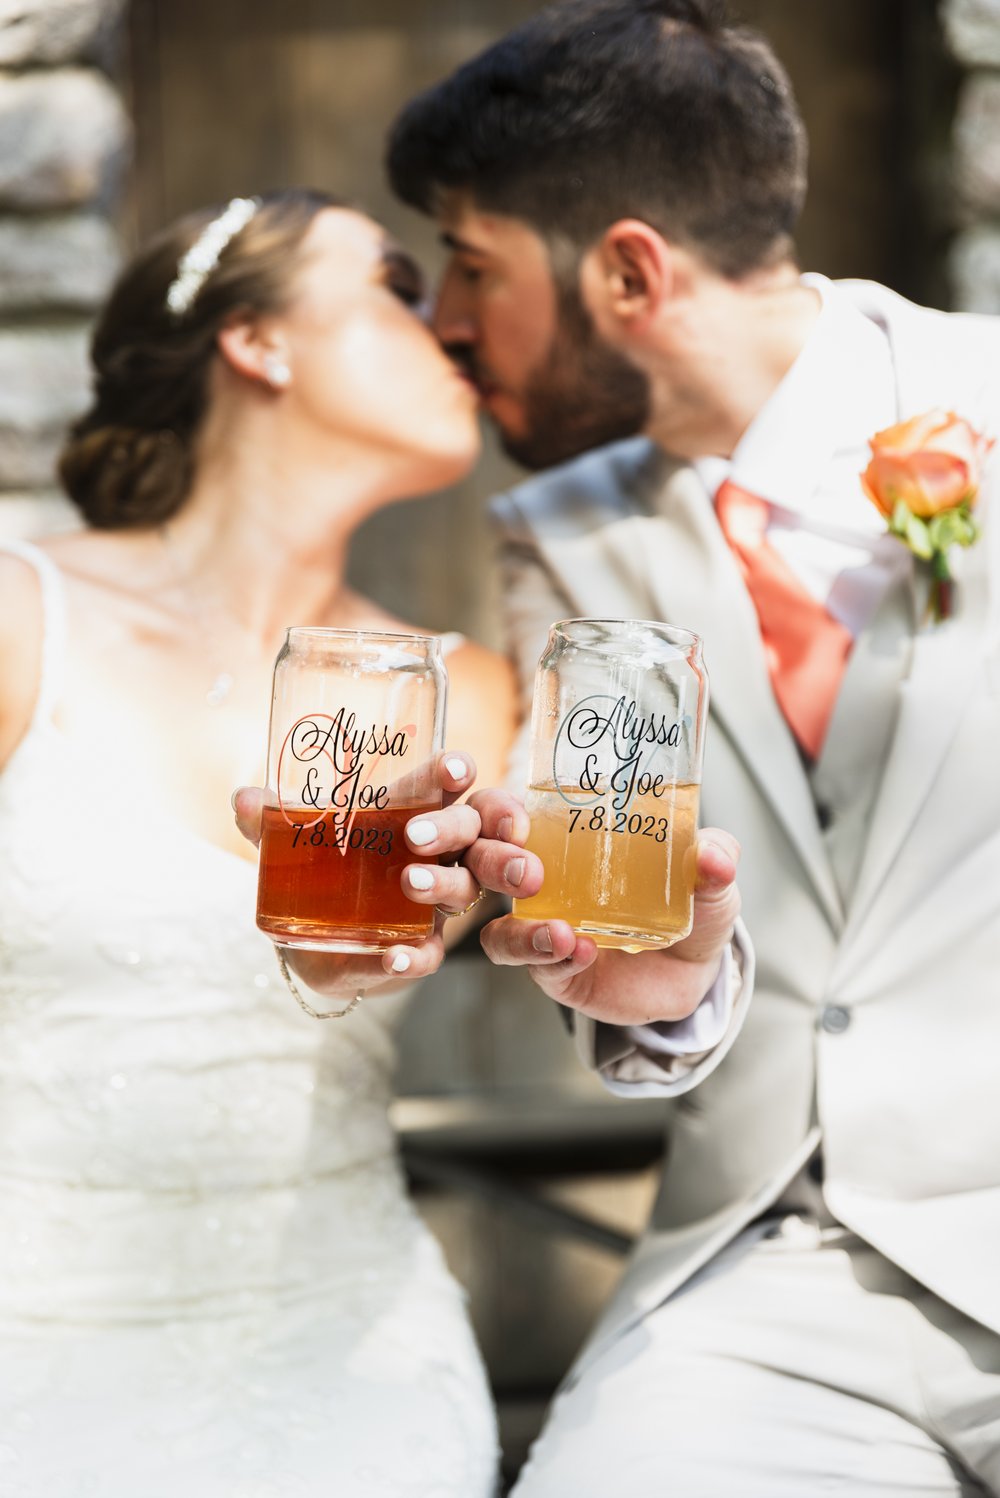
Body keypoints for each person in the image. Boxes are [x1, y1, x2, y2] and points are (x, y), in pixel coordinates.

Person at [385, 1, 1000, 1492]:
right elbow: (618, 894)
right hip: (781, 1268)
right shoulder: (557, 535)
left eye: (471, 266)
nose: (446, 323)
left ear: (632, 271)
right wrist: (660, 993)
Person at [0, 188, 519, 1496]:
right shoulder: (21, 616)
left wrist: (382, 951)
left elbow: (412, 935)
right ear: (258, 342)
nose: (446, 330)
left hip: (351, 1375)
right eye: (393, 287)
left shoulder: (470, 690)